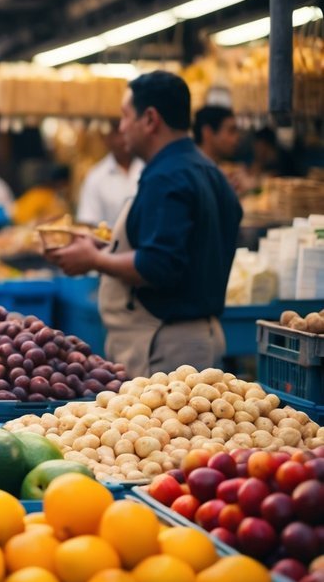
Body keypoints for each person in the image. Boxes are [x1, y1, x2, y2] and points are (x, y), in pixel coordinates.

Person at [48, 71, 242, 377]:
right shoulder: (208, 170)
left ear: (150, 119)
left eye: (126, 117)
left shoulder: (166, 177)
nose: (122, 128)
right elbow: (184, 247)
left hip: (167, 347)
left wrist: (94, 259)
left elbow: (157, 265)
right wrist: (110, 247)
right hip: (200, 336)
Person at [77, 126, 145, 227]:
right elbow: (88, 222)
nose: (123, 139)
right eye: (118, 133)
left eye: (126, 132)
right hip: (108, 242)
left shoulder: (147, 167)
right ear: (107, 139)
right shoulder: (96, 177)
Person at [194, 105, 249, 193]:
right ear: (207, 132)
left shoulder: (224, 171)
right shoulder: (195, 173)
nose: (237, 138)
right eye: (231, 131)